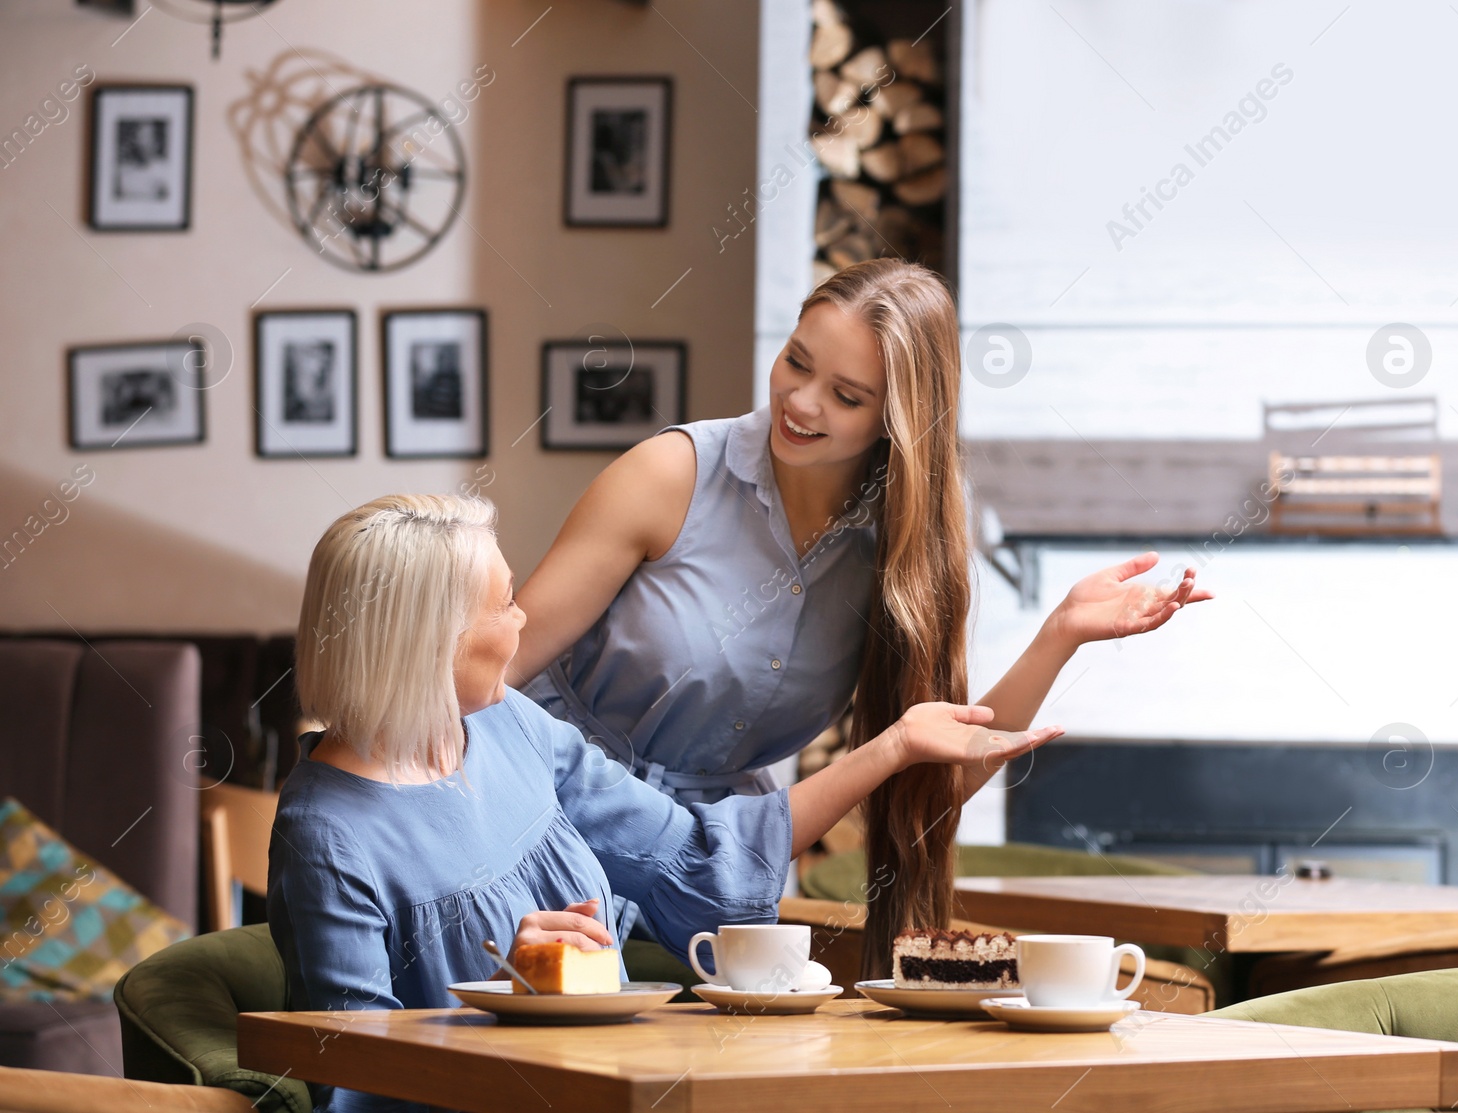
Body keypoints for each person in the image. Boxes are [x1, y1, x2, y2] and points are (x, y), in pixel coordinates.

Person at [508, 259, 1213, 976]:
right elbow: (483, 680)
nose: (802, 402)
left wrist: (1060, 632)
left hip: (720, 882)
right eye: (795, 362)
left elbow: (928, 780)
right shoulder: (671, 474)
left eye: (845, 395)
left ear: (896, 419)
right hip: (543, 836)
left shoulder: (897, 554)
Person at [268, 494, 1060, 1113]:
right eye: (505, 604)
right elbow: (352, 1080)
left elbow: (694, 858)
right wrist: (495, 982)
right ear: (427, 642)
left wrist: (893, 746)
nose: (522, 622)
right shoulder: (326, 835)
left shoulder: (510, 726)